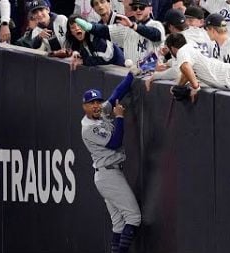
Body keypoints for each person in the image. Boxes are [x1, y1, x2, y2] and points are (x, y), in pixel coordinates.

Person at [81, 71, 141, 253]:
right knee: (134, 217)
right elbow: (115, 143)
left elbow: (116, 94)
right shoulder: (89, 128)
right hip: (108, 175)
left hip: (108, 174)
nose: (96, 105)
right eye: (91, 103)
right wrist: (120, 117)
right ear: (84, 106)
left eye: (98, 101)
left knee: (119, 224)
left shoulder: (101, 113)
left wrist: (131, 75)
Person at [165, 33, 230, 100]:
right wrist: (178, 86)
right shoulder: (189, 48)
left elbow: (185, 67)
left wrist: (195, 87)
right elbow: (187, 72)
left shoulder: (182, 51)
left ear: (172, 48)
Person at [75, 0, 165, 64]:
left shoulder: (156, 24)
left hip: (151, 76)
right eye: (135, 8)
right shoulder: (127, 27)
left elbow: (155, 35)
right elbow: (106, 31)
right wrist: (90, 27)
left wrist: (133, 26)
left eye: (141, 7)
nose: (137, 10)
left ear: (150, 9)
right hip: (130, 74)